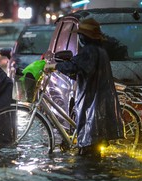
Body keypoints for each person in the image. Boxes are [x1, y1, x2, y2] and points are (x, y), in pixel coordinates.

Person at [44, 18, 124, 156]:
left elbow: (76, 67)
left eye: (81, 35)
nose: (80, 37)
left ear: (86, 36)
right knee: (94, 142)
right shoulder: (99, 50)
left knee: (89, 143)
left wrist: (55, 66)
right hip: (98, 96)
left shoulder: (90, 51)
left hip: (92, 98)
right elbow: (82, 70)